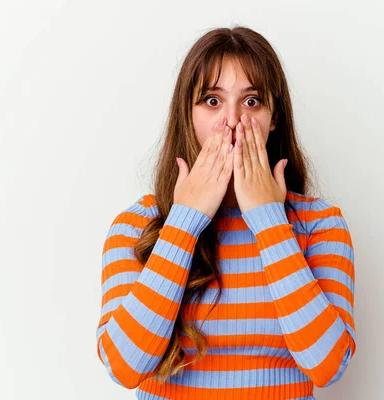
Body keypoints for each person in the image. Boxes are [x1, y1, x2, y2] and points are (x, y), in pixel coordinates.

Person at [95, 25, 357, 399]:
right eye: (212, 101)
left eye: (251, 102)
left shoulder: (320, 225)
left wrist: (269, 222)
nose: (232, 122)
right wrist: (184, 222)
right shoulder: (136, 227)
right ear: (187, 113)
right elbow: (124, 366)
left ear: (274, 118)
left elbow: (328, 365)